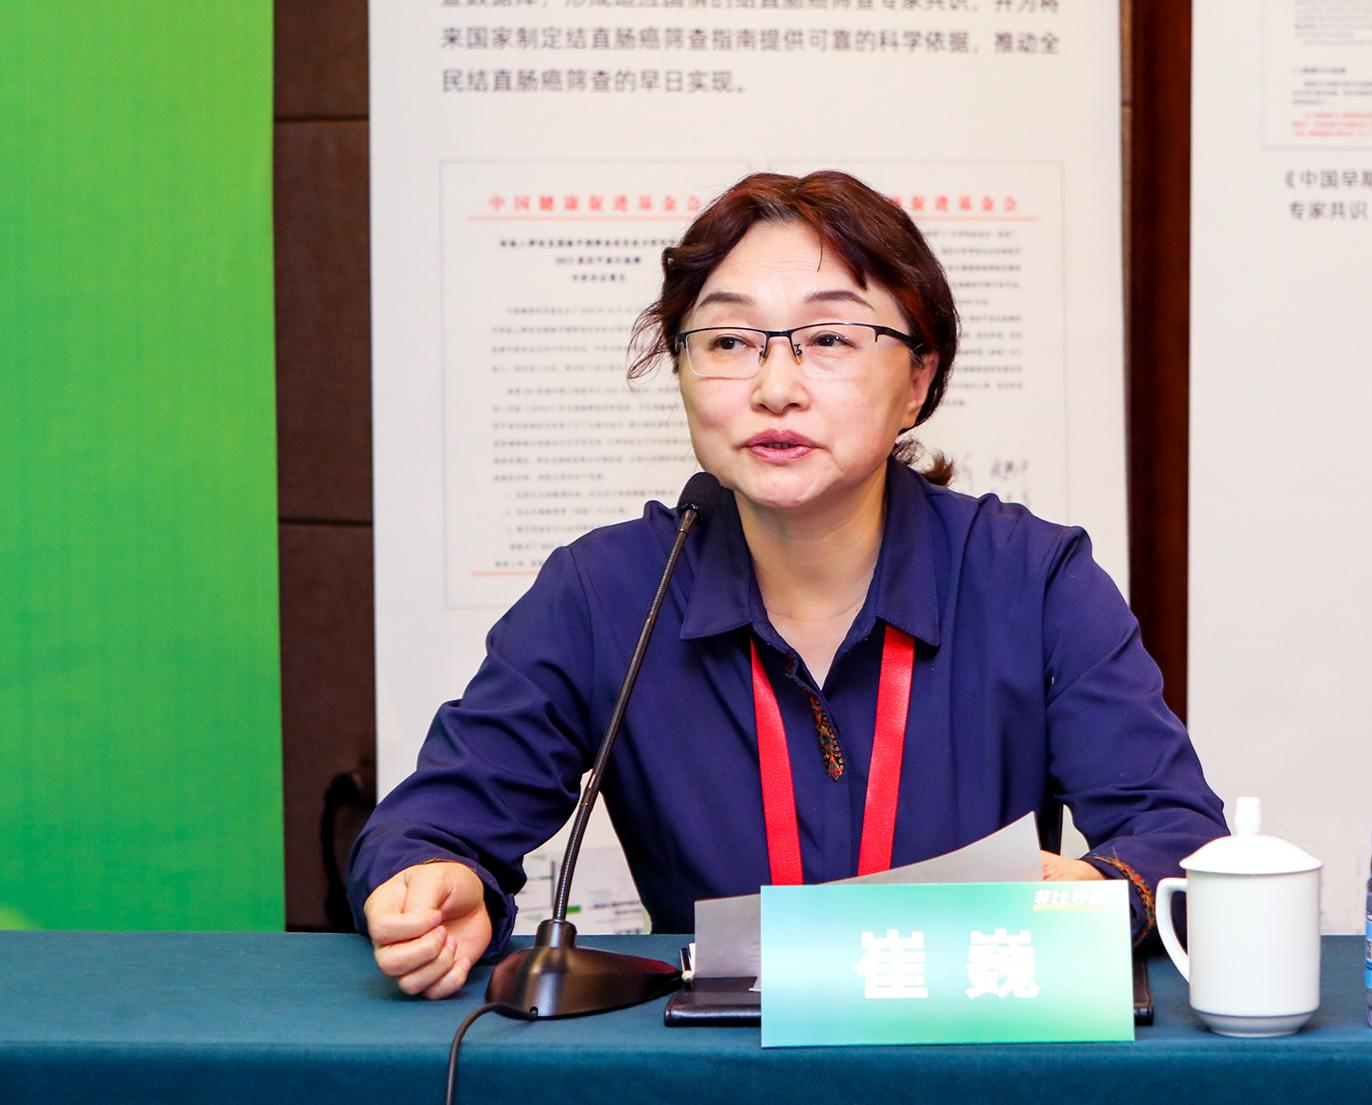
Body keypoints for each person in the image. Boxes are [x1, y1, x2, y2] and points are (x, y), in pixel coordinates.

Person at [350, 170, 1227, 999]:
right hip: (710, 1060)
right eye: (728, 341)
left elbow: (1179, 841)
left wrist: (1095, 889)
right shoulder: (607, 591)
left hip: (967, 1044)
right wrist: (431, 880)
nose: (775, 388)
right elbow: (433, 824)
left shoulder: (1029, 579)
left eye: (830, 339)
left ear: (917, 380)